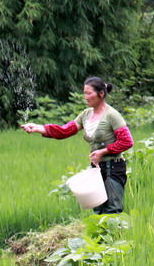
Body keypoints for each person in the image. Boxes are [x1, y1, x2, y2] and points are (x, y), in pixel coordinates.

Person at [21, 77, 134, 214]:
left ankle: (116, 236)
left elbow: (127, 141)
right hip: (97, 169)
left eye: (89, 93)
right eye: (84, 93)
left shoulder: (112, 115)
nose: (85, 97)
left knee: (112, 210)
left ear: (101, 94)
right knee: (97, 208)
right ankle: (97, 236)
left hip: (114, 168)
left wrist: (103, 152)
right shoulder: (86, 114)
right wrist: (39, 128)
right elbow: (65, 130)